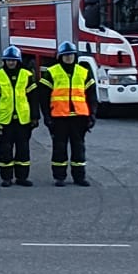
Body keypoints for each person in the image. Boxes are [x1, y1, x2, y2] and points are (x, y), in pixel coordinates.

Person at [0, 46, 43, 187]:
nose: (11, 62)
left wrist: (35, 116)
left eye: (13, 60)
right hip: (5, 119)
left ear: (18, 61)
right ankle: (6, 178)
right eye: (8, 60)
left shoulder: (26, 75)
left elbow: (33, 98)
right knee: (5, 149)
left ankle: (22, 177)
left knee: (23, 149)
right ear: (4, 61)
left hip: (23, 119)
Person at [44, 42, 98, 187]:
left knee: (78, 148)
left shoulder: (84, 72)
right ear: (60, 57)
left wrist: (92, 115)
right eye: (65, 55)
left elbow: (92, 96)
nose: (68, 57)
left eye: (71, 55)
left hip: (79, 117)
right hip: (59, 117)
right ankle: (59, 177)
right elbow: (44, 97)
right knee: (59, 148)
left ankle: (79, 177)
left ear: (75, 56)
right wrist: (47, 117)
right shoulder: (51, 72)